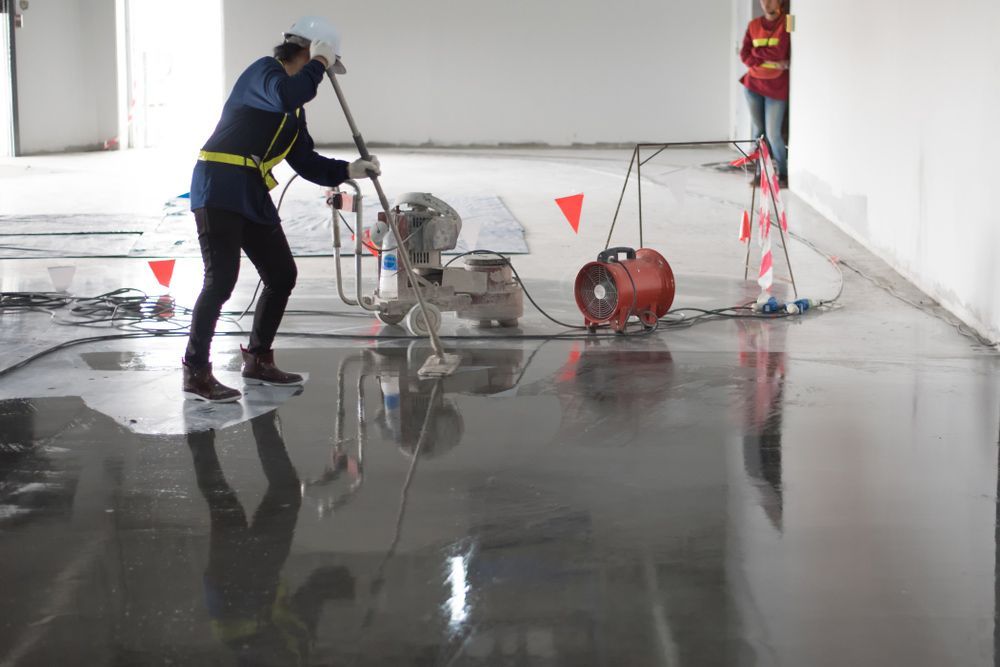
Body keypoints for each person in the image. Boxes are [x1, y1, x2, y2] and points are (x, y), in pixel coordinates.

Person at [182, 16, 381, 403]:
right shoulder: (265, 74)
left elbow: (304, 161)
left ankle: (258, 358)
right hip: (218, 183)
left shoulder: (295, 109)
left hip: (251, 190)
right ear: (309, 50)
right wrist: (319, 63)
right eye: (325, 62)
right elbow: (287, 95)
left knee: (281, 274)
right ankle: (196, 370)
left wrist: (349, 170)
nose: (326, 74)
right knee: (220, 281)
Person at [740, 0, 790, 183]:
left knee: (773, 134)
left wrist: (756, 52)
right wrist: (769, 59)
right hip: (752, 85)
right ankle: (761, 174)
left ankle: (783, 174)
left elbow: (780, 52)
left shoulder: (788, 21)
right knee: (758, 133)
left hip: (777, 86)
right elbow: (744, 56)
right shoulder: (753, 25)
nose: (766, 3)